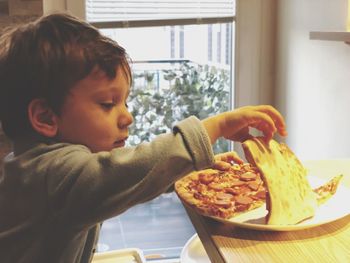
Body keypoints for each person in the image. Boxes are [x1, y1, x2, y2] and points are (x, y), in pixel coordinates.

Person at [0, 12, 287, 263]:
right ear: (46, 118)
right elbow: (120, 174)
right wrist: (215, 127)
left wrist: (190, 169)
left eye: (125, 102)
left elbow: (124, 178)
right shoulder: (52, 175)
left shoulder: (38, 168)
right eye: (107, 104)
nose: (127, 117)